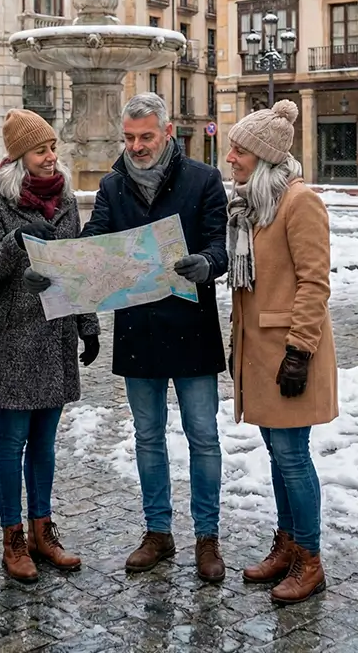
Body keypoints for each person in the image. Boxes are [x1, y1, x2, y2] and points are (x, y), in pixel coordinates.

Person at [74, 92, 229, 581]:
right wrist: (60, 266)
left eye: (146, 137)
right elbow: (95, 242)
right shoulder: (112, 185)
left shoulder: (203, 180)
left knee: (203, 437)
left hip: (192, 328)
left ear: (166, 133)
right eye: (130, 138)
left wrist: (207, 264)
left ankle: (208, 538)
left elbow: (219, 245)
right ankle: (158, 533)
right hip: (138, 331)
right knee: (147, 437)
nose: (137, 146)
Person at [0, 108, 100, 584]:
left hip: (55, 336)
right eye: (41, 150)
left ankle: (42, 532)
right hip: (10, 337)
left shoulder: (66, 199)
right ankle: (12, 538)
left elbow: (78, 266)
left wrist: (88, 324)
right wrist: (19, 238)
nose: (51, 158)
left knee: (44, 442)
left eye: (52, 148)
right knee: (11, 442)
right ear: (18, 156)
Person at [226, 99, 338, 605]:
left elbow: (315, 283)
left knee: (293, 457)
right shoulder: (254, 204)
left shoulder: (298, 202)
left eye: (239, 150)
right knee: (277, 454)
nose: (230, 157)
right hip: (262, 353)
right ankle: (288, 544)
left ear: (263, 156)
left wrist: (299, 351)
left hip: (291, 355)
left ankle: (310, 560)